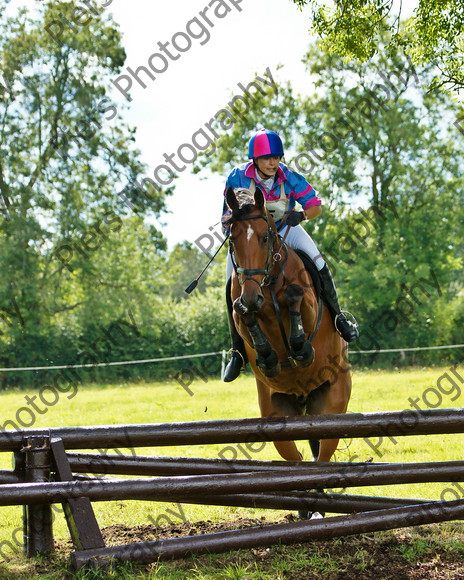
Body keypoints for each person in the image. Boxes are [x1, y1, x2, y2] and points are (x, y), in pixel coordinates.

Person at [222, 129, 359, 382]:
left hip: (286, 230)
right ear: (255, 159)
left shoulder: (291, 177)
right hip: (251, 237)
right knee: (230, 281)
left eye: (276, 157)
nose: (272, 163)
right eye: (266, 158)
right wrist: (236, 234)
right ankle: (237, 351)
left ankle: (339, 317)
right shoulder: (238, 176)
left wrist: (302, 216)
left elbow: (315, 206)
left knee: (318, 262)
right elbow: (227, 212)